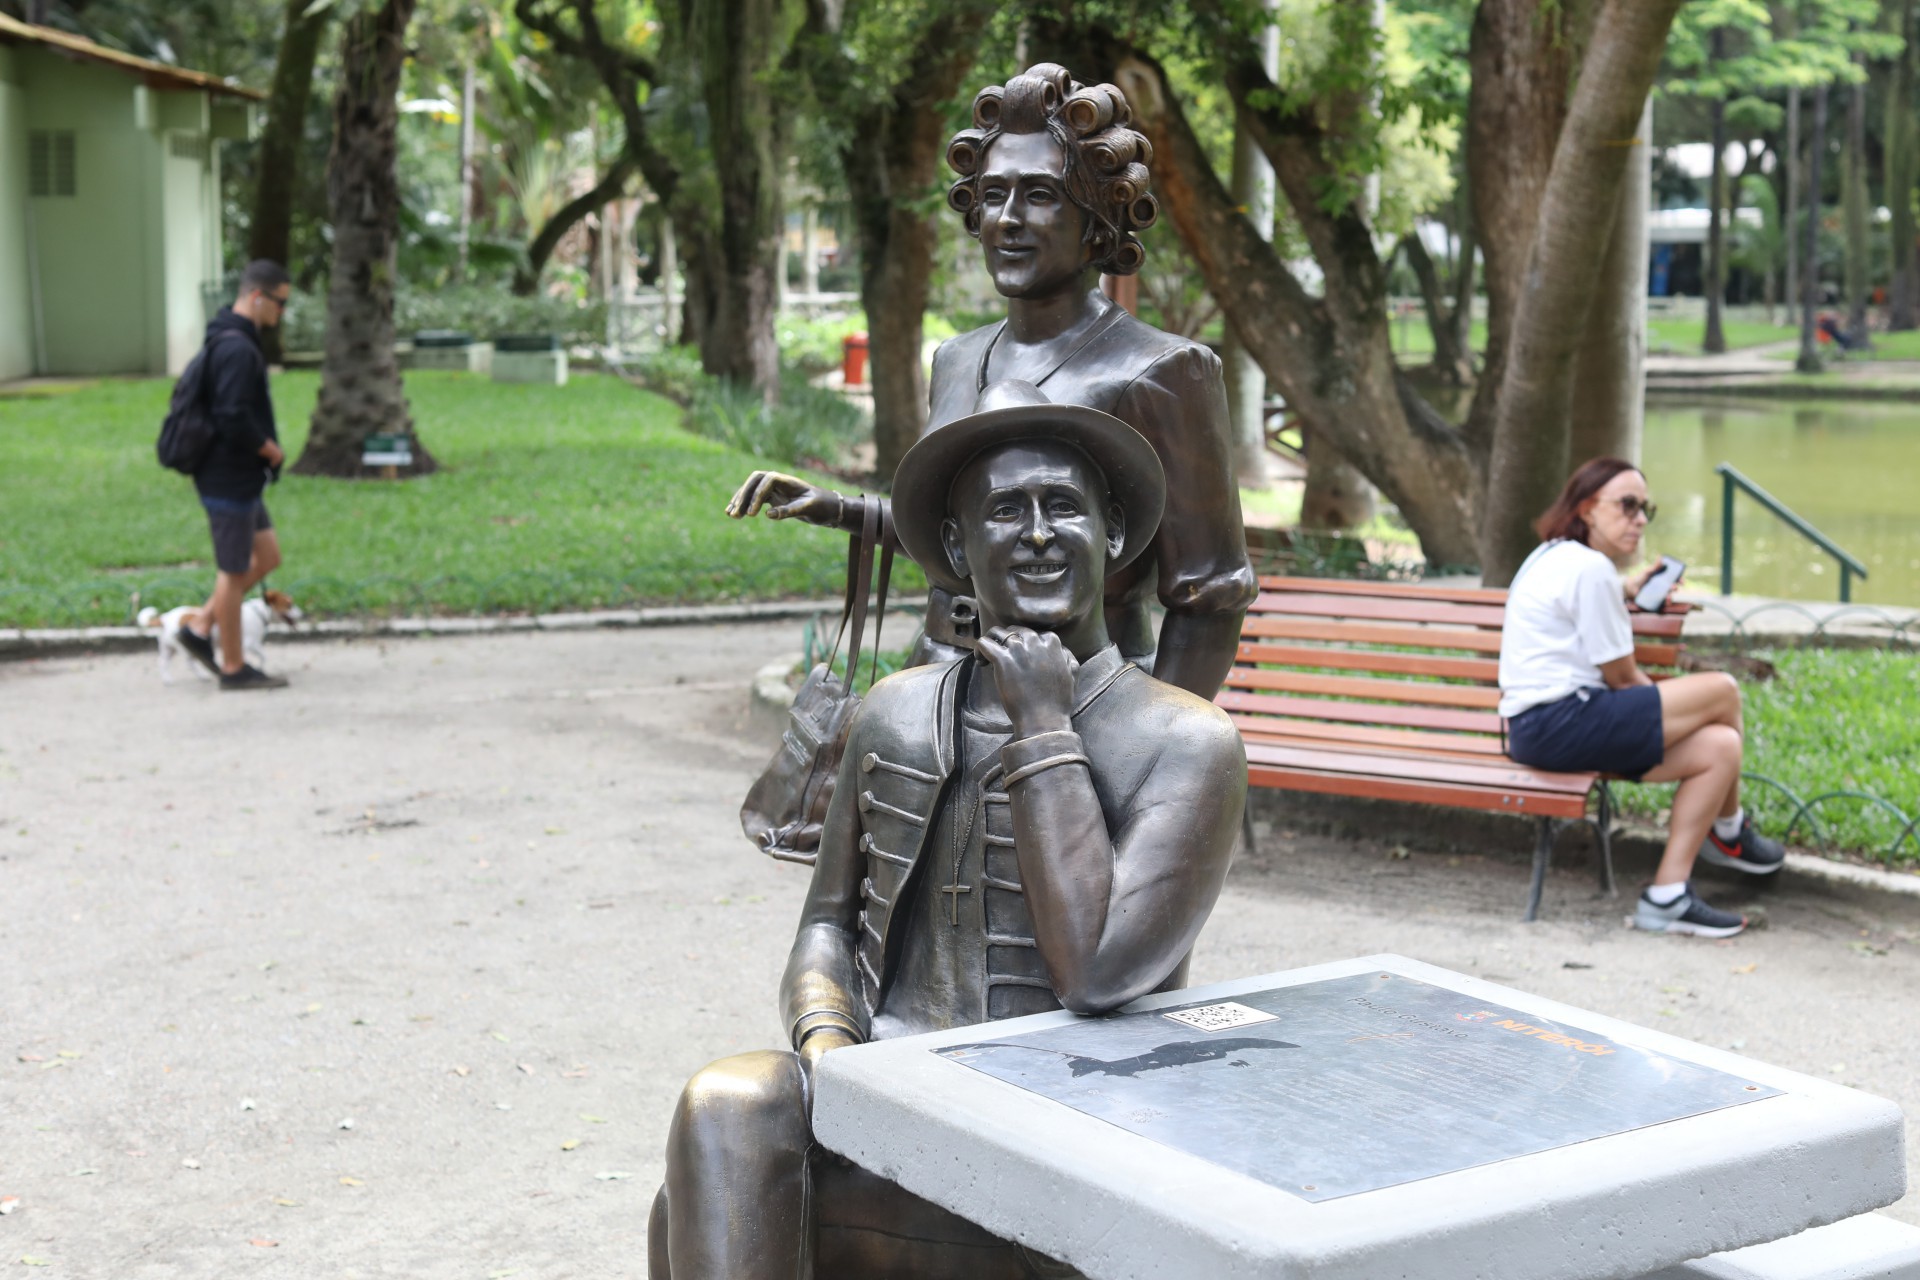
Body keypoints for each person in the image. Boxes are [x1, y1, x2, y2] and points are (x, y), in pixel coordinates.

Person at [649, 381, 1248, 1278]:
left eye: (1066, 508)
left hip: (1073, 1107)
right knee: (727, 1106)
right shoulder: (896, 712)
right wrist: (833, 1050)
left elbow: (1096, 971)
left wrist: (1043, 723)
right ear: (960, 546)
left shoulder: (1185, 740)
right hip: (890, 1076)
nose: (1038, 533)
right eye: (1006, 511)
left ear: (1115, 536)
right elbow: (826, 923)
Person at [725, 63, 1255, 701]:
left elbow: (1211, 596)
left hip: (1083, 701)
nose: (1006, 218)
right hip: (940, 690)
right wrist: (840, 509)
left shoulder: (1161, 370)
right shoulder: (955, 358)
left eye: (1038, 194)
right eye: (994, 195)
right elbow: (975, 531)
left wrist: (1159, 747)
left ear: (1096, 220)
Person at [1498, 458, 1784, 938]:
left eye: (1645, 508)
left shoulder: (1552, 555)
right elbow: (1625, 681)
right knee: (1722, 691)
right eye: (1627, 506)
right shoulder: (1589, 570)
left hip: (1540, 729)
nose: (1640, 520)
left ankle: (1667, 896)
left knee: (1720, 747)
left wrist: (1626, 589)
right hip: (1561, 721)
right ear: (1587, 508)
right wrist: (1674, 712)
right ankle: (1730, 828)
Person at [176, 260, 292, 691]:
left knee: (267, 557)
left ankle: (199, 628)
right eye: (279, 302)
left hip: (239, 476)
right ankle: (234, 668)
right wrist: (270, 449)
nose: (282, 311)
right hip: (227, 474)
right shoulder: (238, 349)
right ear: (257, 297)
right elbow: (232, 416)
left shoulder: (232, 339)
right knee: (234, 569)